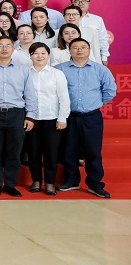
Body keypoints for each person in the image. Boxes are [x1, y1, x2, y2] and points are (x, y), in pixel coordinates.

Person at [55, 38, 117, 198]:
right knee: (69, 149)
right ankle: (71, 180)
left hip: (92, 116)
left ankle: (95, 184)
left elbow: (110, 90)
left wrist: (95, 103)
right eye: (75, 47)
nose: (79, 50)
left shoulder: (100, 69)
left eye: (83, 47)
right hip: (68, 116)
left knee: (93, 151)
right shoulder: (60, 69)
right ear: (69, 50)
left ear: (89, 50)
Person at [0, 36, 38, 197]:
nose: (4, 48)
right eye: (0, 45)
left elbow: (30, 94)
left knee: (14, 152)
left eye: (8, 46)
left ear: (13, 49)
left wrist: (30, 116)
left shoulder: (23, 69)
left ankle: (11, 184)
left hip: (16, 114)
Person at [27, 43, 70, 196]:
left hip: (52, 119)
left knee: (51, 153)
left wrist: (62, 118)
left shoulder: (57, 74)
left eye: (43, 53)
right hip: (31, 120)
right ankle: (36, 180)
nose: (39, 56)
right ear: (30, 56)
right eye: (35, 53)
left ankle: (50, 182)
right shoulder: (26, 73)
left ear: (48, 55)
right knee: (33, 152)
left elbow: (64, 97)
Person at [70, 0, 109, 65]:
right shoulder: (67, 19)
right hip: (71, 56)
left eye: (84, 1)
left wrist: (104, 57)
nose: (80, 3)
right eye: (77, 1)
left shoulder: (97, 19)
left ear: (89, 4)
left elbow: (103, 39)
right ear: (72, 4)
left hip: (93, 55)